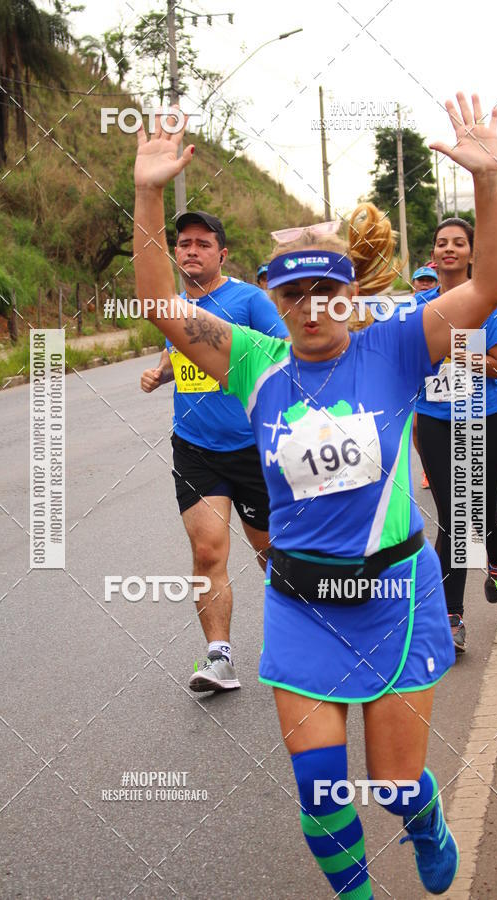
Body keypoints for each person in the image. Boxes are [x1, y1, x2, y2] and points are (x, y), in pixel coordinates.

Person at [133, 94, 497, 897]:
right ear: (274, 299)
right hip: (304, 601)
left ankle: (424, 817)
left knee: (397, 783)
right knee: (319, 791)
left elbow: (486, 290)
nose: (310, 308)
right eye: (293, 294)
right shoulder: (253, 361)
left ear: (348, 294)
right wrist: (147, 194)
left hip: (393, 596)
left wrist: (488, 179)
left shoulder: (397, 345)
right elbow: (164, 305)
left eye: (324, 292)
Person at [140, 209, 288, 693]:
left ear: (221, 254)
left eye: (203, 244)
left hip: (252, 448)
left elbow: (285, 357)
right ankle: (219, 657)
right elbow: (178, 348)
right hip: (195, 448)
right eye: (183, 243)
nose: (191, 251)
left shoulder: (249, 300)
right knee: (206, 552)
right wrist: (161, 372)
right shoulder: (175, 306)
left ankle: (297, 635)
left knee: (273, 556)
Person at [414, 217, 497, 653]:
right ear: (434, 254)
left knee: (477, 514)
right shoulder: (418, 304)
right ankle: (451, 618)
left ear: (472, 254)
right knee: (454, 517)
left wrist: (454, 346)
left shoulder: (488, 303)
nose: (450, 249)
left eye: (459, 243)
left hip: (484, 417)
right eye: (442, 243)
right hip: (436, 420)